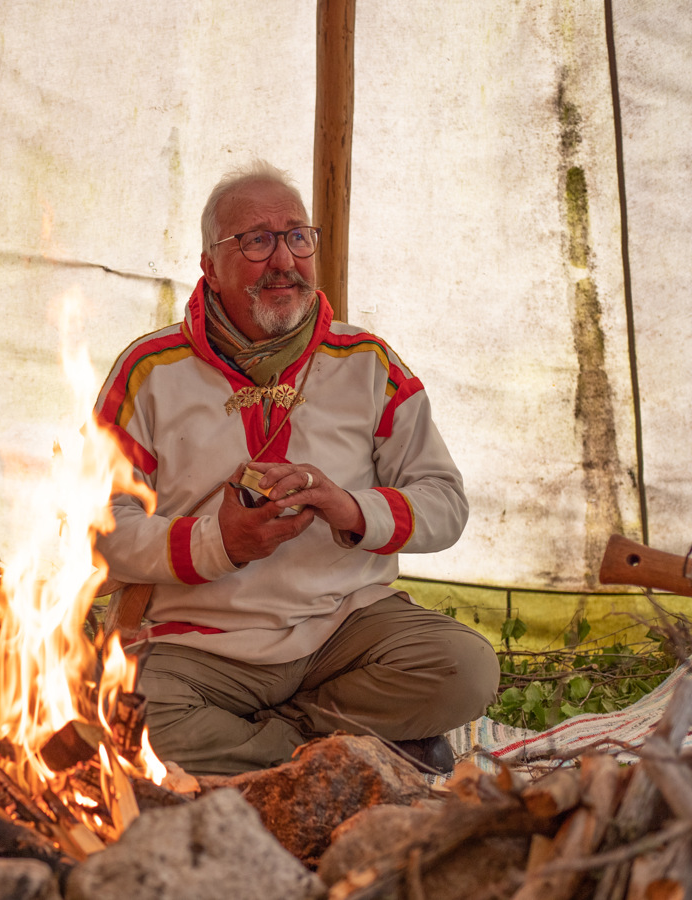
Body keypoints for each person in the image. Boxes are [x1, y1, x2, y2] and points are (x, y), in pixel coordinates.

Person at [94, 161, 499, 777]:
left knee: (465, 668)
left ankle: (275, 743)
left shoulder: (367, 361)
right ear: (209, 264)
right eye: (256, 241)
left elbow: (445, 500)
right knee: (127, 718)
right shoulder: (149, 372)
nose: (284, 259)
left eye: (297, 237)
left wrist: (351, 508)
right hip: (202, 641)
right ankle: (353, 753)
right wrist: (219, 541)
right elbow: (102, 529)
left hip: (342, 630)